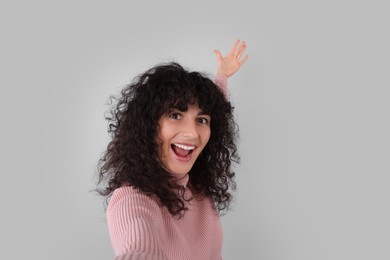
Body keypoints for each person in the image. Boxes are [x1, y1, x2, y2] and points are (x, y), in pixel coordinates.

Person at [97, 40, 248, 260]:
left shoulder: (197, 185)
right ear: (148, 125)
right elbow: (138, 249)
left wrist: (222, 76)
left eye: (201, 120)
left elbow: (216, 114)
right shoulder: (133, 199)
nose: (192, 133)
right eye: (175, 115)